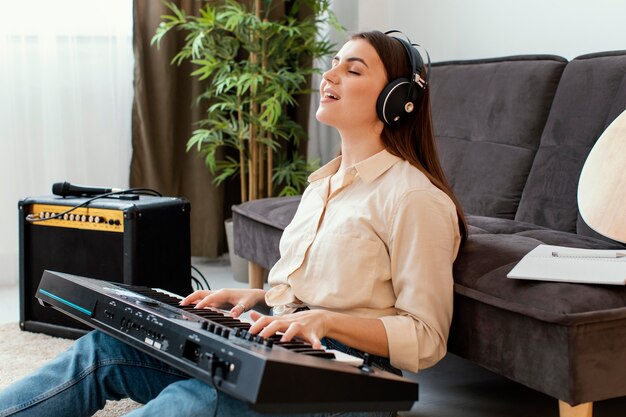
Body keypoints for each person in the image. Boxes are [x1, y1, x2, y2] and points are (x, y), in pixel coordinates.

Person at [0, 30, 466, 417]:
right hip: (280, 349)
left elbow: (425, 337)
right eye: (334, 63)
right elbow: (326, 287)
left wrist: (326, 321)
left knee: (193, 401)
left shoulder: (415, 198)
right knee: (103, 349)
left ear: (396, 100)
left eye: (353, 69)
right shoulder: (322, 185)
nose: (329, 74)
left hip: (348, 380)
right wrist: (260, 297)